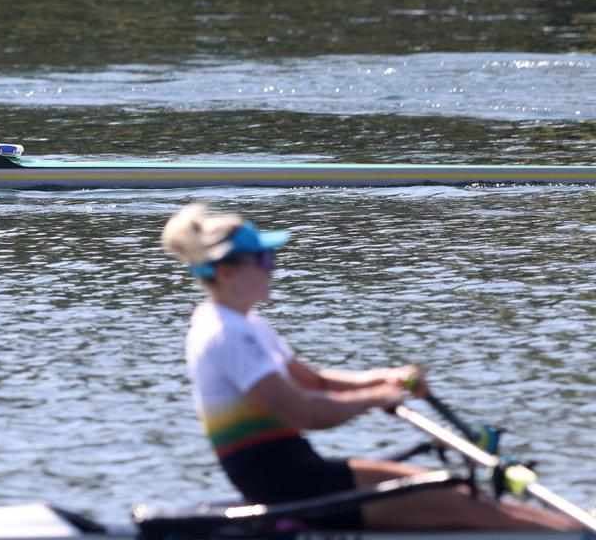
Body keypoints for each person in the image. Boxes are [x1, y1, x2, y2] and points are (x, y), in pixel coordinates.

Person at [160, 202, 579, 531]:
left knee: (469, 497)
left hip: (302, 471)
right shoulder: (225, 334)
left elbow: (318, 381)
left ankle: (577, 529)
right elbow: (305, 411)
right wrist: (376, 398)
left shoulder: (246, 323)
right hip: (288, 485)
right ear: (229, 272)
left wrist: (384, 378)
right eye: (265, 260)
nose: (274, 269)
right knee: (477, 513)